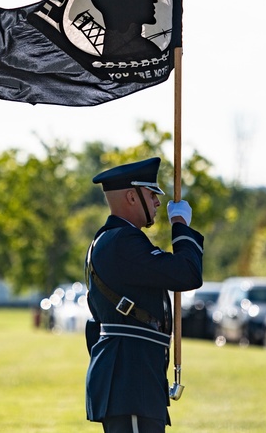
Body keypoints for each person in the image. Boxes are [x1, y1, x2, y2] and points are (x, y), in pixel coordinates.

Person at [84, 157, 204, 433]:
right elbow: (186, 274)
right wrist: (180, 226)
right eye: (152, 195)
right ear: (131, 196)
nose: (158, 203)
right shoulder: (122, 241)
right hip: (131, 381)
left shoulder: (112, 239)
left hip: (131, 379)